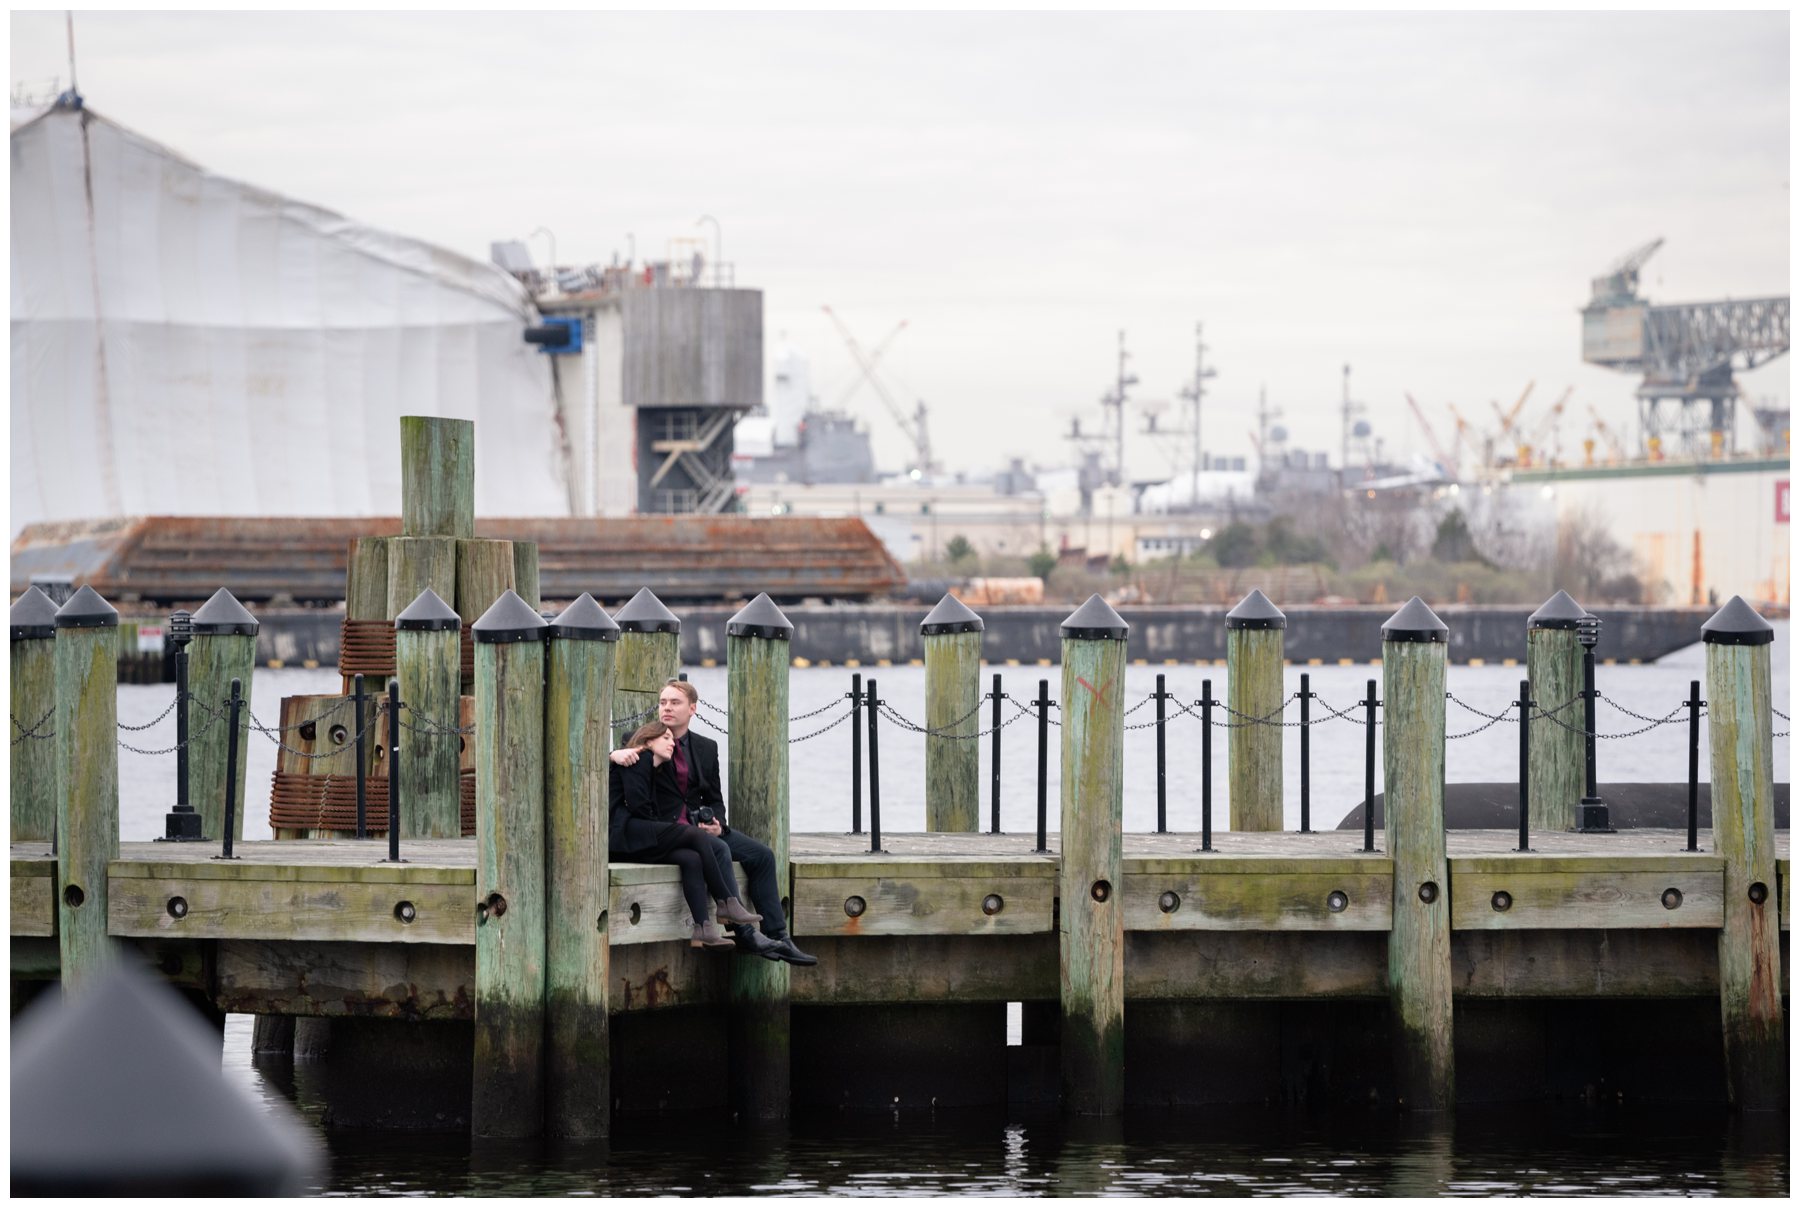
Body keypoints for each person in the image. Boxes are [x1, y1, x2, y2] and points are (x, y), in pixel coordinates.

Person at [611, 679, 817, 966]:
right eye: (663, 703)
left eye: (675, 703)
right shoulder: (643, 738)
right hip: (666, 828)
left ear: (692, 708)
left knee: (762, 855)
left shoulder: (706, 748)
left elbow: (715, 798)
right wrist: (613, 753)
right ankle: (744, 933)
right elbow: (622, 773)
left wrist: (717, 822)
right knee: (718, 850)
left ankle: (778, 935)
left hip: (700, 826)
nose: (667, 708)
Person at [608, 720, 762, 950]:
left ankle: (703, 929)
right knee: (696, 836)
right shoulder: (642, 759)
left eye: (673, 739)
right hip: (622, 835)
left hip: (635, 835)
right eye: (666, 738)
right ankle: (726, 901)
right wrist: (668, 831)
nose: (673, 743)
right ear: (649, 741)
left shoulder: (650, 764)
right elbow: (639, 805)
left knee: (692, 859)